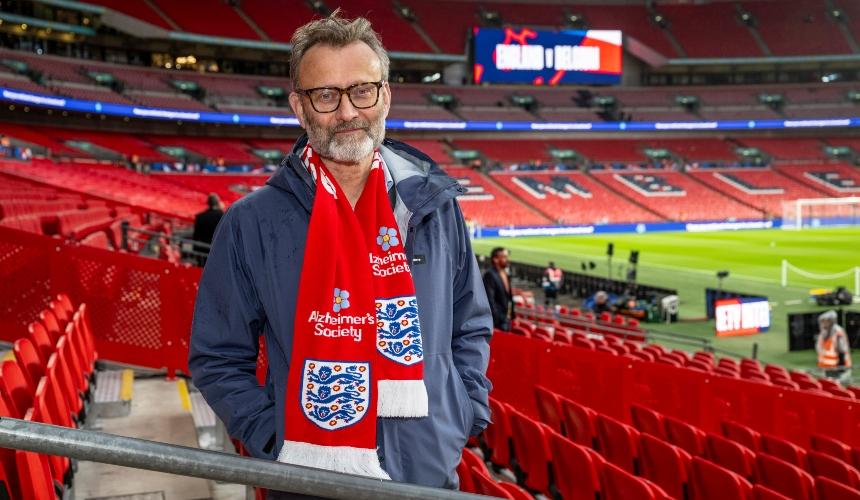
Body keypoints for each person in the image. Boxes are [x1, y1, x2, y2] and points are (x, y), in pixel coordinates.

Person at [188, 10, 492, 494]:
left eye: (362, 91)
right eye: (326, 95)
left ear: (385, 95)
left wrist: (461, 411)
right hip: (307, 479)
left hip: (426, 473)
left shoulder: (433, 206)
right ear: (298, 106)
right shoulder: (251, 222)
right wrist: (277, 438)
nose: (348, 112)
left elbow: (470, 321)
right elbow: (217, 357)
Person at [483, 247, 514, 331]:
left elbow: (508, 297)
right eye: (504, 257)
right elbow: (490, 300)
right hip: (498, 321)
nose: (507, 259)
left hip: (506, 319)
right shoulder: (489, 275)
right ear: (495, 259)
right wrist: (497, 319)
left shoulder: (506, 274)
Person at [816, 310, 852, 380]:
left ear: (831, 321)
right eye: (822, 321)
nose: (823, 323)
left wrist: (841, 368)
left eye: (825, 321)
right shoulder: (824, 333)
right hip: (827, 367)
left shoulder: (838, 333)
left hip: (837, 368)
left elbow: (842, 351)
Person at [191, 193, 224, 265]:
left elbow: (196, 236)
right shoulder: (222, 216)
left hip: (202, 250)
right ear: (217, 202)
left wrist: (194, 249)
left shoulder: (200, 217)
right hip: (216, 251)